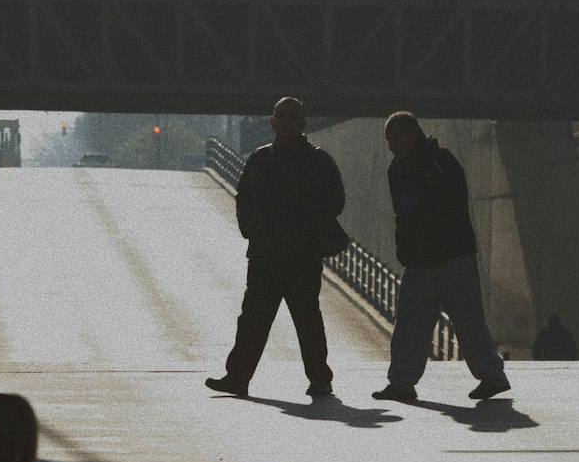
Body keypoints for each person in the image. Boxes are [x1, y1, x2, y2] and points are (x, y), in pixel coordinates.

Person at [206, 97, 348, 400]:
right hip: (264, 254)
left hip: (302, 255)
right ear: (272, 121)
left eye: (293, 116)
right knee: (252, 320)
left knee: (307, 319)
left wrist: (306, 224)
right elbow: (244, 197)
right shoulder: (259, 159)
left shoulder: (318, 160)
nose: (286, 120)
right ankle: (237, 378)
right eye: (281, 115)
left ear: (302, 124)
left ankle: (320, 379)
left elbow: (335, 201)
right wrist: (250, 228)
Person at [372, 111, 510, 404]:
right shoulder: (398, 169)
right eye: (388, 140)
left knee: (466, 319)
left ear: (411, 134)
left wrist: (421, 207)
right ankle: (402, 382)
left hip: (451, 254)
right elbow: (403, 215)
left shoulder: (440, 161)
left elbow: (452, 203)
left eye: (395, 138)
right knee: (410, 323)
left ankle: (491, 376)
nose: (391, 145)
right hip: (423, 259)